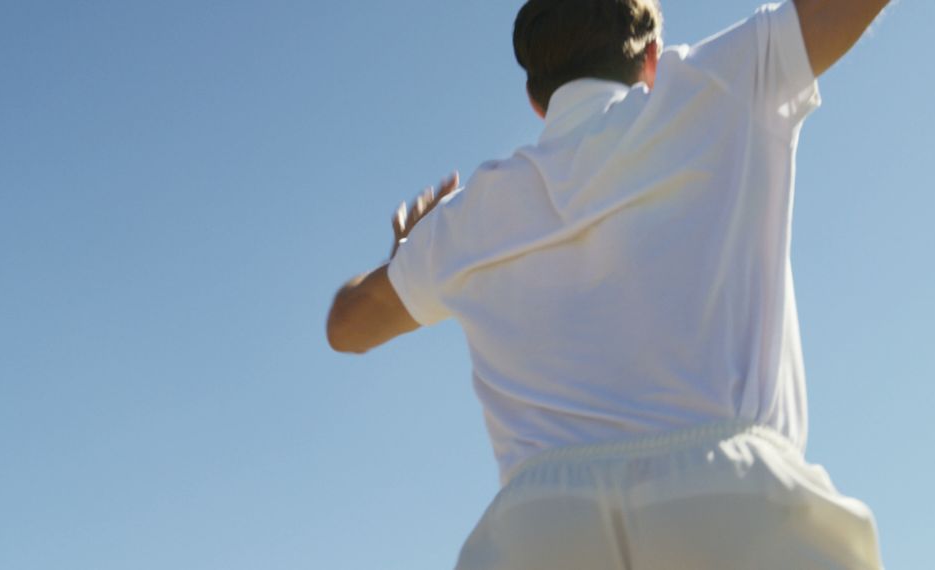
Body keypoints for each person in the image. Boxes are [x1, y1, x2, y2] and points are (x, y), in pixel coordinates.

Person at [327, 0, 889, 567]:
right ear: (651, 59)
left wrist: (407, 253)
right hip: (734, 503)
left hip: (539, 532)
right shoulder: (722, 80)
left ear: (536, 99)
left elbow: (347, 326)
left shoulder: (467, 218)